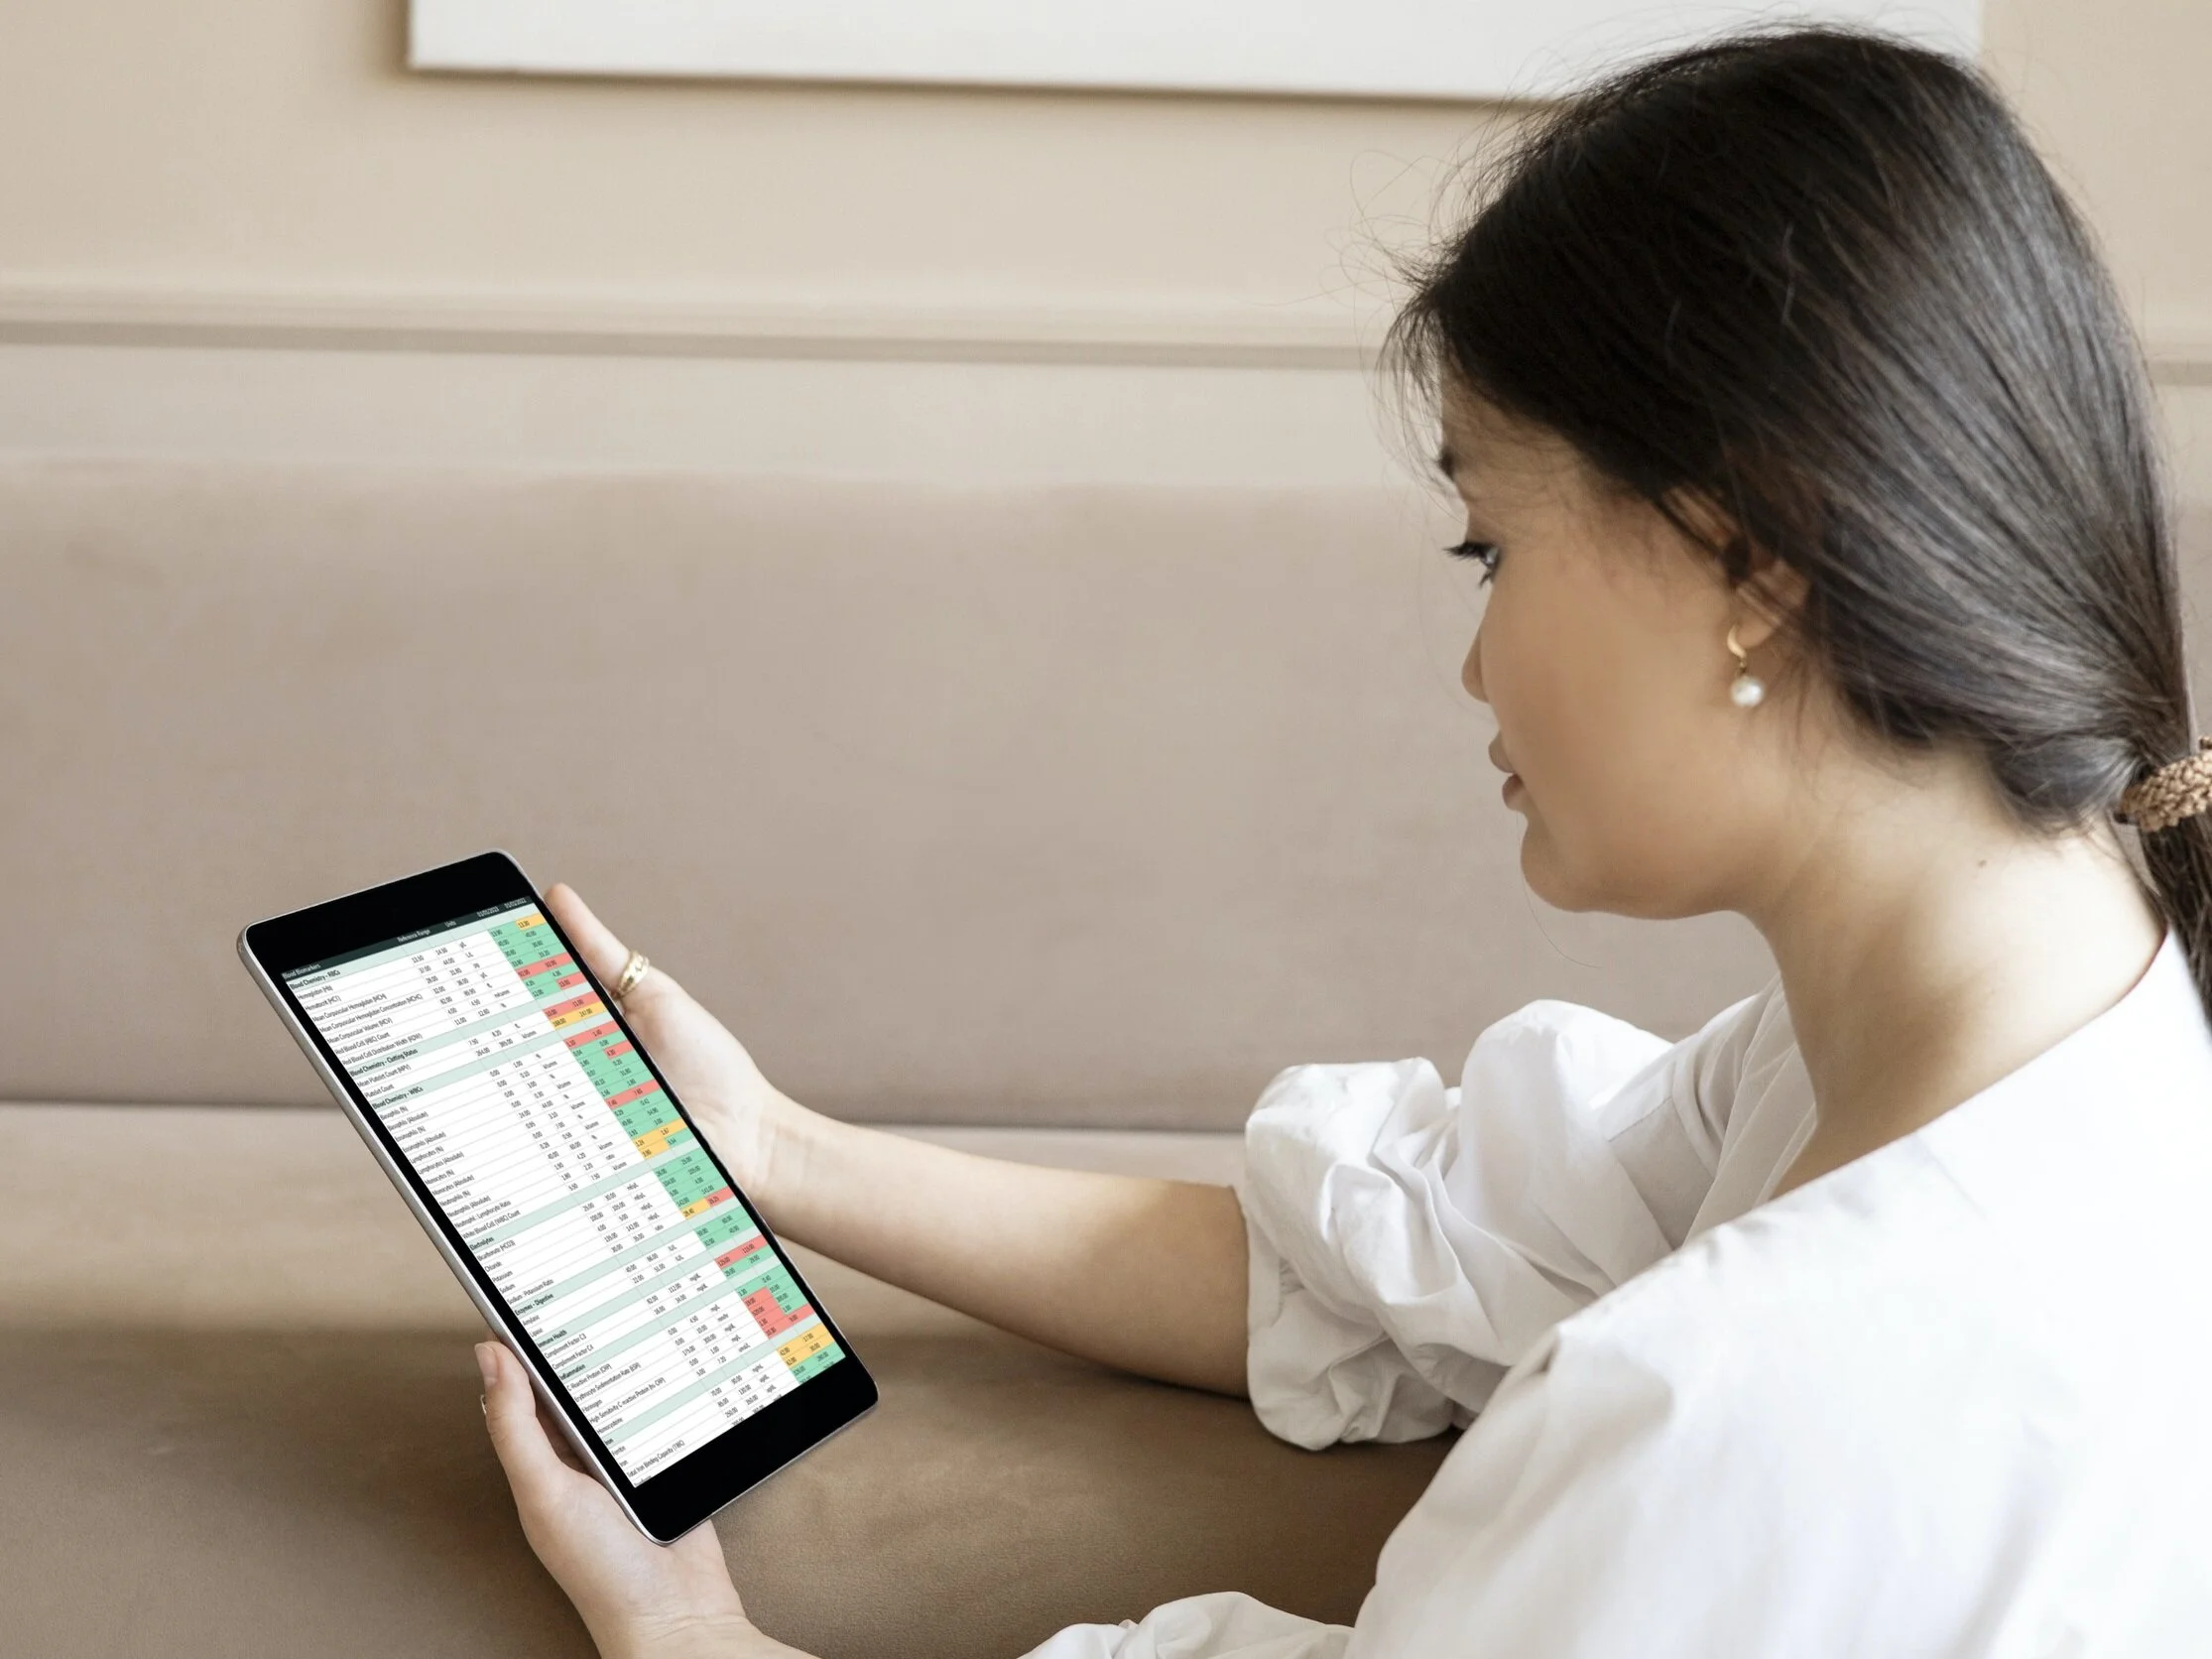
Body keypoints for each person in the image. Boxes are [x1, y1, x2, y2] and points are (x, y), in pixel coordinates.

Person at [474, 27, 2212, 1658]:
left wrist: (702, 1641)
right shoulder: (2031, 1036)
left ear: (1747, 562)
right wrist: (769, 1151)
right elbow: (1417, 1258)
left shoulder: (1731, 1408)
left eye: (1486, 549)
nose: (1470, 661)